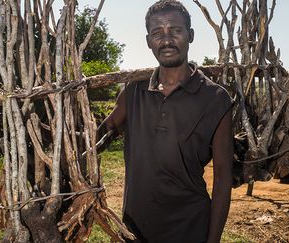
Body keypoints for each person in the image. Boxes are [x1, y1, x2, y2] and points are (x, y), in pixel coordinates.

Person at [98, 0, 234, 242]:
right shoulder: (134, 91)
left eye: (176, 30)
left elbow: (223, 178)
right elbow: (101, 136)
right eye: (157, 33)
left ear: (190, 35)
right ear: (149, 40)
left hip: (189, 228)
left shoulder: (216, 99)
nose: (167, 40)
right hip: (135, 229)